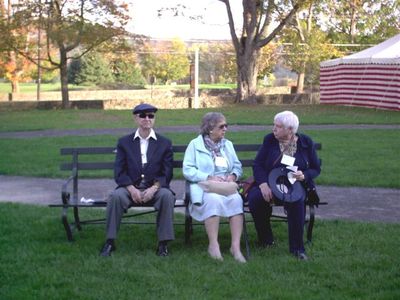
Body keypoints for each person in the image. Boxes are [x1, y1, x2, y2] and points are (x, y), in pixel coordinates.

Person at [99, 103, 176, 257]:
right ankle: (110, 241)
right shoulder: (124, 142)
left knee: (167, 196)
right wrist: (131, 188)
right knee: (115, 197)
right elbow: (119, 171)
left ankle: (163, 244)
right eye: (143, 116)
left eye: (151, 116)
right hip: (129, 188)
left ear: (154, 119)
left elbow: (167, 173)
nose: (147, 119)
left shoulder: (164, 143)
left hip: (155, 188)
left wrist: (154, 188)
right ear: (136, 118)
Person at [246, 110, 321, 260]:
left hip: (295, 185)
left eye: (278, 126)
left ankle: (297, 249)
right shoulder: (269, 140)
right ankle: (266, 240)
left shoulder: (306, 142)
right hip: (270, 183)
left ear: (290, 130)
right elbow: (258, 164)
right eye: (274, 125)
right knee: (255, 199)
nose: (274, 129)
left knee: (297, 201)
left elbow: (316, 168)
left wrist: (304, 175)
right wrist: (263, 185)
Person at [183, 112, 246, 263]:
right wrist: (208, 177)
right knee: (213, 200)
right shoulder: (195, 145)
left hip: (226, 186)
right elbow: (188, 169)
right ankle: (213, 245)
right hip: (205, 186)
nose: (225, 129)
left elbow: (237, 166)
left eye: (226, 126)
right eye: (221, 126)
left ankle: (235, 247)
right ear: (210, 129)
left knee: (236, 200)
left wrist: (233, 176)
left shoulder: (227, 144)